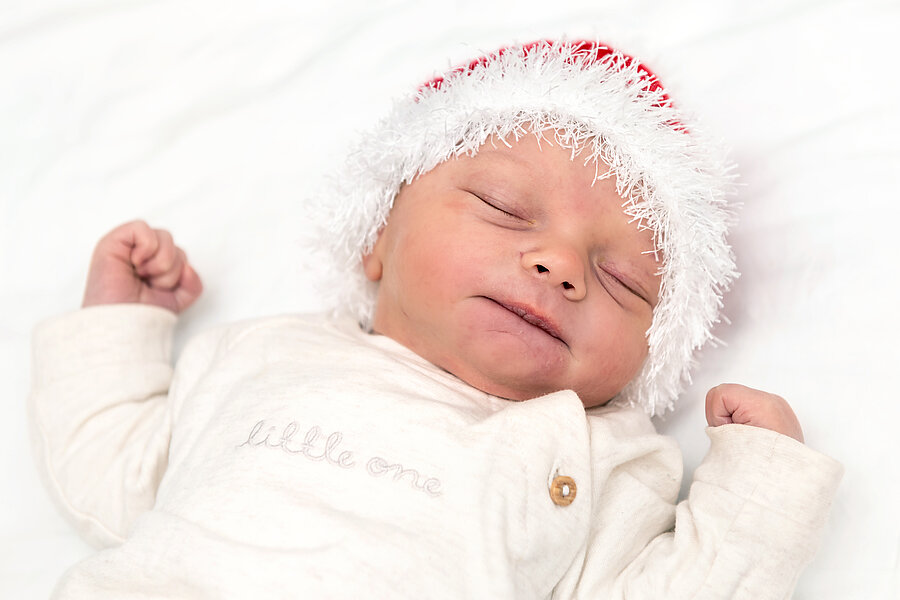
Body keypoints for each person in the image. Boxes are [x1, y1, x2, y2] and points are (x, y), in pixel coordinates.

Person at [29, 40, 841, 599]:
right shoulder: (263, 352)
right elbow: (112, 479)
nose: (558, 266)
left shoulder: (602, 457)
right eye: (501, 206)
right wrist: (117, 328)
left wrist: (757, 485)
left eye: (622, 279)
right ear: (376, 235)